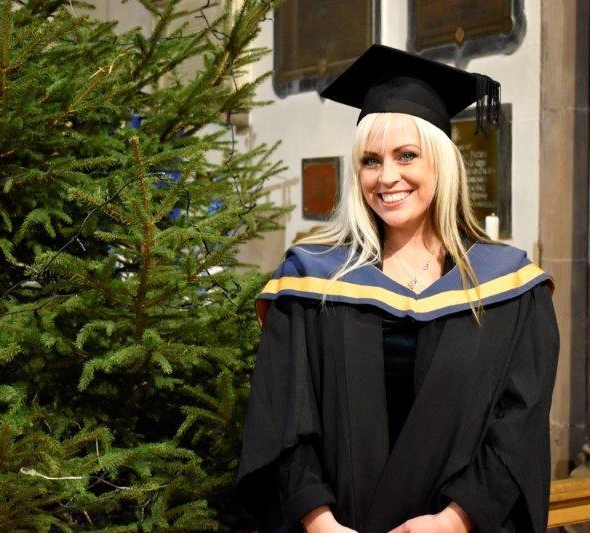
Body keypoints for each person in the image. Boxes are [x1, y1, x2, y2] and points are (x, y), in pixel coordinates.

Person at [236, 44, 560, 533]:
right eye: (371, 160)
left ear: (441, 163)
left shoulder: (510, 286)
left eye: (407, 155)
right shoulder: (311, 281)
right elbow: (282, 416)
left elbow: (518, 424)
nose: (387, 177)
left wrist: (456, 520)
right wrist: (319, 521)